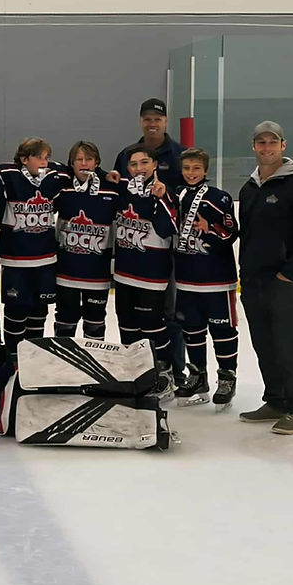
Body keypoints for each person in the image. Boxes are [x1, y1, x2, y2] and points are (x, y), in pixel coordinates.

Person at [237, 121, 293, 435]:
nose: (266, 148)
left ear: (283, 146)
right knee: (263, 344)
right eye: (260, 142)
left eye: (272, 142)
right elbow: (246, 235)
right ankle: (274, 399)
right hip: (253, 281)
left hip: (285, 283)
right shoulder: (248, 189)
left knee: (286, 344)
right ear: (254, 146)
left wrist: (290, 273)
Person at [110, 98, 186, 380]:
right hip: (131, 257)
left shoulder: (179, 154)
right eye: (147, 118)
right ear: (141, 121)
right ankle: (135, 372)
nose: (152, 123)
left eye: (158, 118)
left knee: (167, 316)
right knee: (129, 318)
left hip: (162, 254)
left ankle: (174, 371)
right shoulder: (125, 153)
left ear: (165, 121)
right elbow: (116, 189)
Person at [172, 148, 239, 410]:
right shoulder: (175, 195)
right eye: (187, 168)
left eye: (196, 168)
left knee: (222, 330)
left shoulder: (218, 198)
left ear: (206, 170)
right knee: (192, 329)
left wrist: (208, 228)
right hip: (186, 277)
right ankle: (198, 376)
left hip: (217, 278)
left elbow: (232, 232)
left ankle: (227, 377)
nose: (191, 173)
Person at [113, 144, 178, 399]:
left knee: (153, 326)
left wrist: (161, 199)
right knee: (127, 326)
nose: (139, 169)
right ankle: (133, 372)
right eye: (133, 164)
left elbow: (167, 229)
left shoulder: (164, 192)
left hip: (152, 274)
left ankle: (164, 372)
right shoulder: (122, 191)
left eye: (144, 163)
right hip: (124, 272)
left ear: (154, 166)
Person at [0, 138, 69, 350]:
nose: (45, 162)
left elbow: (71, 171)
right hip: (15, 262)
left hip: (45, 260)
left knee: (39, 312)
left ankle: (35, 357)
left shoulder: (52, 180)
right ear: (24, 159)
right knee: (15, 313)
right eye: (40, 157)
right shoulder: (9, 177)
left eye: (47, 157)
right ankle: (13, 358)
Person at [53, 141, 121, 341]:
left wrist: (104, 174)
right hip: (66, 272)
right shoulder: (62, 188)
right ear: (71, 164)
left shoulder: (111, 189)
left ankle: (92, 368)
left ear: (97, 163)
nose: (84, 164)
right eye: (79, 160)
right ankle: (65, 365)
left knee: (95, 324)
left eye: (89, 159)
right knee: (65, 321)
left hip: (97, 273)